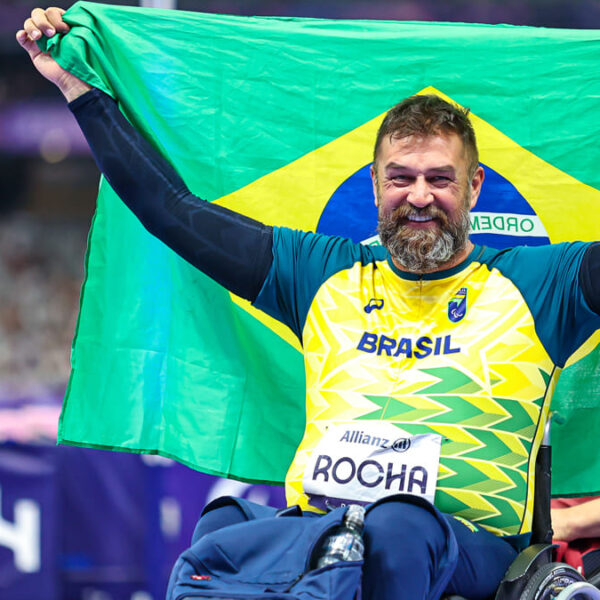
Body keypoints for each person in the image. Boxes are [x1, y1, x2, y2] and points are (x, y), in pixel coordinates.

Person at [17, 7, 600, 600]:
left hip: (470, 545)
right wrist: (79, 92)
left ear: (474, 186)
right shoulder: (322, 274)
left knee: (397, 526)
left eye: (440, 179)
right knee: (224, 529)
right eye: (399, 178)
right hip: (326, 529)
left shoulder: (543, 283)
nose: (418, 196)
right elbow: (170, 209)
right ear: (374, 185)